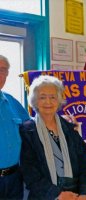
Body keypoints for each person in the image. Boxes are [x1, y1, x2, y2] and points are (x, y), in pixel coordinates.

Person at [20, 75, 86, 200]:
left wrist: (85, 194)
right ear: (34, 100)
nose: (48, 102)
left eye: (53, 97)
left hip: (75, 196)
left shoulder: (70, 128)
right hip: (43, 196)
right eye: (42, 97)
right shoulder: (27, 131)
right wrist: (57, 195)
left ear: (59, 100)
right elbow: (30, 173)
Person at [0, 55, 30, 200]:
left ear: (7, 74)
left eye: (2, 70)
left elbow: (33, 127)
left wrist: (63, 122)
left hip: (14, 178)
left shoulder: (11, 101)